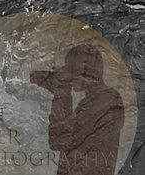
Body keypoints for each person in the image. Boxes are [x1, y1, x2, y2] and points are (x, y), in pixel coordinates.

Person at [29, 42, 124, 175]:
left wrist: (61, 93)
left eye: (70, 70)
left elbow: (58, 141)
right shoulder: (95, 100)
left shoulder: (105, 100)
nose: (70, 78)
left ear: (84, 71)